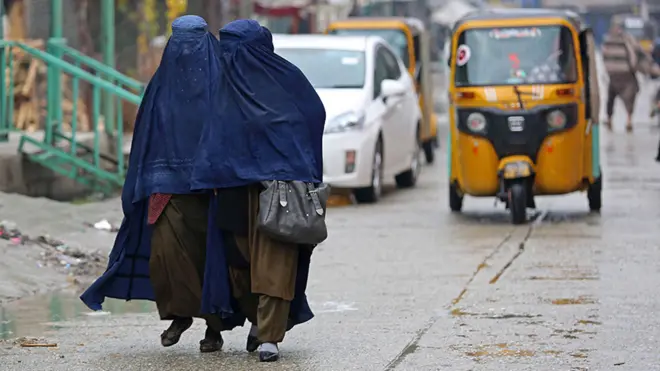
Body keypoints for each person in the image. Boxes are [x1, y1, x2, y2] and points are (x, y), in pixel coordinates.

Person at [79, 15, 245, 353]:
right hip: (168, 189)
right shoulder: (160, 89)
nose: (187, 49)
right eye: (180, 40)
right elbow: (145, 139)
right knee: (167, 258)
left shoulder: (225, 85)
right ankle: (179, 314)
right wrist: (146, 180)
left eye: (194, 39)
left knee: (212, 260)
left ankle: (214, 329)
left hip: (213, 190)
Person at [191, 19, 325, 362]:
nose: (227, 55)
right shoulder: (223, 85)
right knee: (239, 263)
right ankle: (256, 320)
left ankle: (270, 336)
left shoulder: (286, 81)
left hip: (279, 189)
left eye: (234, 47)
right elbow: (211, 133)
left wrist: (287, 163)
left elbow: (310, 117)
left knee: (276, 262)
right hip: (234, 188)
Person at [602, 18, 644, 132]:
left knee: (611, 97)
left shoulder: (607, 39)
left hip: (614, 74)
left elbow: (604, 56)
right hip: (626, 74)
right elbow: (635, 52)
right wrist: (634, 67)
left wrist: (608, 70)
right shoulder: (627, 38)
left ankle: (610, 119)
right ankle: (628, 120)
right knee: (630, 97)